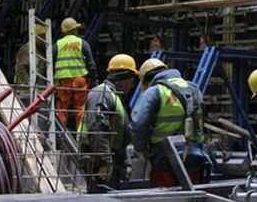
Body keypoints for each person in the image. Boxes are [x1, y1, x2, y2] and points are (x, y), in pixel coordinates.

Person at [130, 58, 207, 187]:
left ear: (146, 79)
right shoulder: (194, 89)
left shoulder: (154, 92)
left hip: (164, 159)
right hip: (194, 156)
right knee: (193, 201)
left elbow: (138, 124)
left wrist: (140, 149)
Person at [78, 53, 139, 190]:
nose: (133, 84)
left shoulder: (115, 97)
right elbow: (97, 128)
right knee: (101, 201)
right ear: (124, 78)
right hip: (100, 162)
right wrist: (104, 161)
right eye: (132, 80)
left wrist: (124, 163)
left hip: (111, 159)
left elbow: (121, 135)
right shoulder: (102, 93)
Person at [54, 17, 98, 130]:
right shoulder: (82, 43)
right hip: (80, 80)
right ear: (74, 30)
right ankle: (81, 137)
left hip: (63, 81)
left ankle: (60, 137)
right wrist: (94, 81)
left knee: (62, 110)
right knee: (80, 109)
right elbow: (91, 64)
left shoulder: (57, 45)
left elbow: (50, 64)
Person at [14, 18, 49, 88]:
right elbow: (21, 69)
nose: (45, 40)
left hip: (38, 88)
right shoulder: (27, 49)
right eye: (43, 37)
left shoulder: (42, 50)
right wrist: (29, 84)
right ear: (36, 37)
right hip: (25, 89)